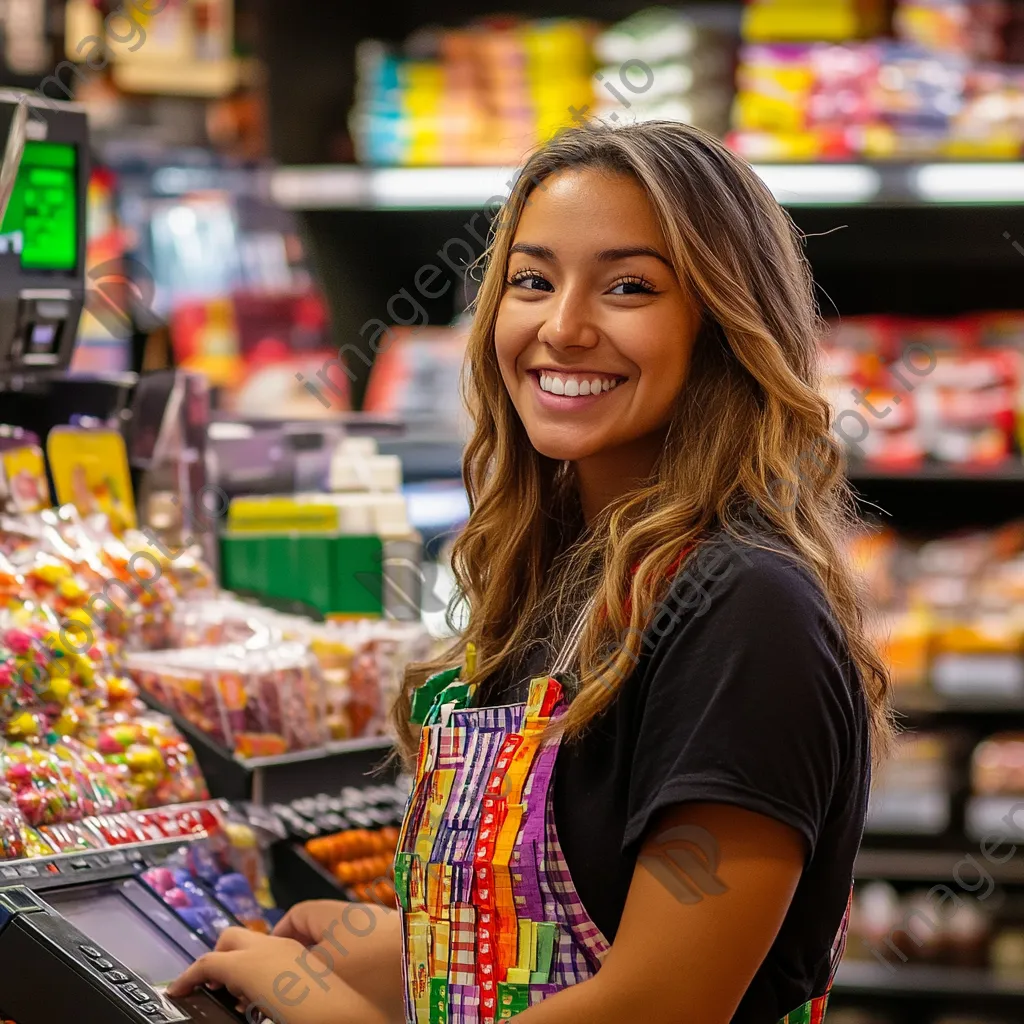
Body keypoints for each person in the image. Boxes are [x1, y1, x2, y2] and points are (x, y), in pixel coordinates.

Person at [169, 120, 894, 1024]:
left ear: (724, 326)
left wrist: (316, 1008)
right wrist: (402, 951)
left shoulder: (746, 610)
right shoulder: (554, 586)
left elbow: (660, 1006)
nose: (563, 326)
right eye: (532, 281)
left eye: (630, 287)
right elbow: (570, 951)